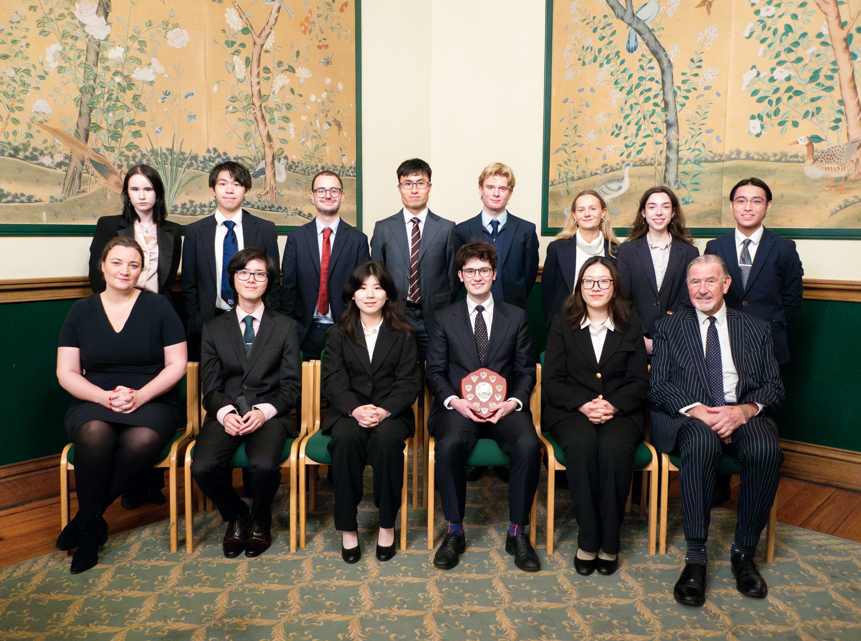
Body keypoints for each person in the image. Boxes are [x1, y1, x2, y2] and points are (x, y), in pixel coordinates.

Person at [650, 254, 785, 607]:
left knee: (765, 450)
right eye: (695, 282)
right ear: (687, 287)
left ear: (726, 284)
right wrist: (698, 411)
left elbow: (773, 387)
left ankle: (744, 552)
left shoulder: (755, 328)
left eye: (711, 281)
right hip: (690, 415)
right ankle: (696, 557)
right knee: (701, 443)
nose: (702, 289)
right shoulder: (668, 327)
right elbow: (659, 384)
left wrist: (741, 411)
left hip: (740, 413)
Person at [56, 236, 188, 573]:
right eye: (116, 262)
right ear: (102, 266)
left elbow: (176, 364)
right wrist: (103, 397)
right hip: (94, 396)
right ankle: (90, 529)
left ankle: (85, 521)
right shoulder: (80, 311)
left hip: (152, 397)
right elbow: (67, 372)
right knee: (94, 433)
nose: (124, 271)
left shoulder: (159, 307)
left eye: (133, 265)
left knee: (141, 440)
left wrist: (141, 395)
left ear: (141, 270)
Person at [426, 242, 541, 572]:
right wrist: (454, 402)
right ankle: (455, 530)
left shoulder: (516, 317)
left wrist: (513, 403)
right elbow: (434, 371)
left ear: (494, 274)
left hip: (503, 409)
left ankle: (518, 532)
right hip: (458, 410)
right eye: (471, 271)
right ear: (461, 276)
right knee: (448, 445)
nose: (478, 277)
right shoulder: (444, 318)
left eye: (484, 271)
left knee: (529, 445)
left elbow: (525, 370)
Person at [191, 248, 301, 559]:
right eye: (244, 273)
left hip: (270, 413)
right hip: (225, 413)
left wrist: (264, 411)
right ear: (232, 279)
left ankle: (261, 517)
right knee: (202, 467)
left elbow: (291, 386)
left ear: (269, 281)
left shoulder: (286, 327)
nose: (251, 279)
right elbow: (210, 387)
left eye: (259, 273)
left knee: (265, 466)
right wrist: (225, 413)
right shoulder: (214, 328)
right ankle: (237, 515)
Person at [543, 257, 649, 576]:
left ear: (615, 287)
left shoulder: (631, 324)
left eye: (604, 281)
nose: (596, 288)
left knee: (616, 450)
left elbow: (639, 382)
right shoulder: (563, 323)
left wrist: (612, 406)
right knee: (582, 446)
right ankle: (588, 536)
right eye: (588, 281)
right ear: (579, 287)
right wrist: (584, 405)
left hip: (622, 411)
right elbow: (552, 379)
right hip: (570, 411)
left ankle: (610, 538)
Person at [88, 164, 183, 509]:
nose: (142, 196)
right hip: (118, 316)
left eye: (148, 189)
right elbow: (98, 279)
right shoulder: (108, 226)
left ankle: (150, 483)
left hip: (159, 320)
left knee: (155, 395)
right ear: (127, 193)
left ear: (158, 193)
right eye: (135, 189)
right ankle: (128, 486)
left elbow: (171, 282)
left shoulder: (173, 231)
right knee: (122, 396)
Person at [321, 262, 420, 564]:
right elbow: (332, 380)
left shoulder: (403, 333)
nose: (370, 294)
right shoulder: (338, 334)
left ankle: (387, 524)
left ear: (388, 294)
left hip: (391, 412)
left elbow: (409, 382)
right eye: (363, 288)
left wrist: (384, 410)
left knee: (388, 444)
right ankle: (348, 528)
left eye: (377, 287)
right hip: (348, 412)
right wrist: (354, 408)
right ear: (352, 295)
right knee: (346, 441)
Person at [182, 161, 281, 360]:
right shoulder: (195, 231)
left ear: (246, 191)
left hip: (254, 318)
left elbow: (273, 281)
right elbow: (189, 283)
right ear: (212, 190)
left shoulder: (264, 229)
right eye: (222, 184)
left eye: (236, 184)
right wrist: (194, 321)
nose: (229, 190)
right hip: (209, 320)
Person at [705, 177, 803, 365]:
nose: (748, 207)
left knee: (764, 395)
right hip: (723, 342)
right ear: (732, 206)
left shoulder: (784, 248)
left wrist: (772, 325)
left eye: (756, 201)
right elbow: (707, 294)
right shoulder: (715, 247)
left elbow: (792, 298)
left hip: (768, 345)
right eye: (741, 201)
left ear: (768, 206)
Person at [371, 158, 461, 359]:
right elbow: (376, 276)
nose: (414, 190)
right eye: (408, 183)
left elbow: (454, 277)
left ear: (429, 187)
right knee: (398, 374)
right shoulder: (383, 228)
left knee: (434, 373)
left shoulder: (446, 229)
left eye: (420, 183)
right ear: (399, 188)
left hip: (435, 316)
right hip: (395, 315)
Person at [280, 170, 370, 360]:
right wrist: (288, 330)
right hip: (304, 330)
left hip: (346, 330)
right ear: (312, 196)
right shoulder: (296, 238)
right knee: (306, 387)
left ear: (342, 196)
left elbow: (362, 288)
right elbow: (288, 288)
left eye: (333, 190)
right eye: (321, 190)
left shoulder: (358, 240)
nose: (327, 195)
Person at [617, 187, 700, 356]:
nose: (659, 212)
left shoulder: (689, 252)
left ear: (673, 212)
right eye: (652, 207)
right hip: (635, 340)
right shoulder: (627, 250)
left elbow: (689, 299)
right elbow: (622, 299)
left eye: (665, 207)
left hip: (677, 340)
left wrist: (668, 335)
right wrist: (641, 336)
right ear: (643, 212)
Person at [455, 163, 538, 309]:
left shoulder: (526, 230)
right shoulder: (462, 230)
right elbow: (457, 274)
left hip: (513, 309)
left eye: (502, 188)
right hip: (472, 308)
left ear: (510, 193)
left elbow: (529, 275)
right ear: (480, 190)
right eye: (490, 187)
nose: (496, 193)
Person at [543, 189, 620, 328]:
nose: (587, 214)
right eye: (581, 210)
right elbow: (548, 296)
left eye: (592, 208)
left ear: (603, 213)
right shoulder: (557, 249)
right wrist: (553, 326)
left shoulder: (617, 251)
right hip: (566, 326)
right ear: (574, 215)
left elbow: (621, 295)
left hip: (606, 326)